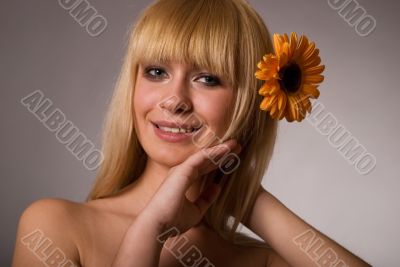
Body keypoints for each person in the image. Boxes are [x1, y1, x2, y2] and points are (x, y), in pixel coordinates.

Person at [12, 0, 371, 266]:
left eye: (207, 79)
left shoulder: (257, 260)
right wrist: (149, 231)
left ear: (249, 103)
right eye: (155, 72)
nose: (174, 100)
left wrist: (245, 195)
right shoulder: (55, 226)